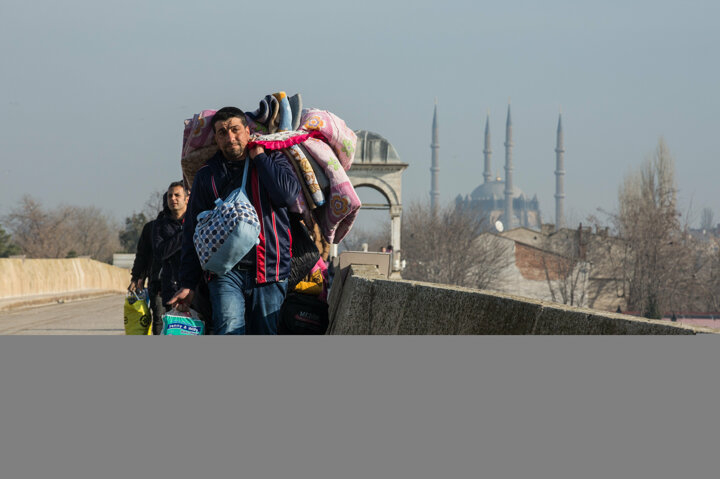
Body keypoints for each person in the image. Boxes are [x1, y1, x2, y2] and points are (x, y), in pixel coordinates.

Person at [169, 107, 301, 335]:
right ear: (216, 140)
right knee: (229, 329)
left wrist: (259, 156)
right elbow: (192, 230)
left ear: (248, 131)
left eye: (235, 130)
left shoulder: (272, 159)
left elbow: (287, 196)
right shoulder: (206, 175)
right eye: (222, 132)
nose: (230, 137)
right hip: (224, 272)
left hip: (270, 268)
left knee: (265, 333)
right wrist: (188, 283)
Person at [152, 182, 189, 326]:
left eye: (177, 195)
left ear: (186, 199)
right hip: (171, 286)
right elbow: (160, 252)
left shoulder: (198, 219)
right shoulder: (160, 224)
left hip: (196, 288)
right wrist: (184, 233)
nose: (173, 199)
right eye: (170, 196)